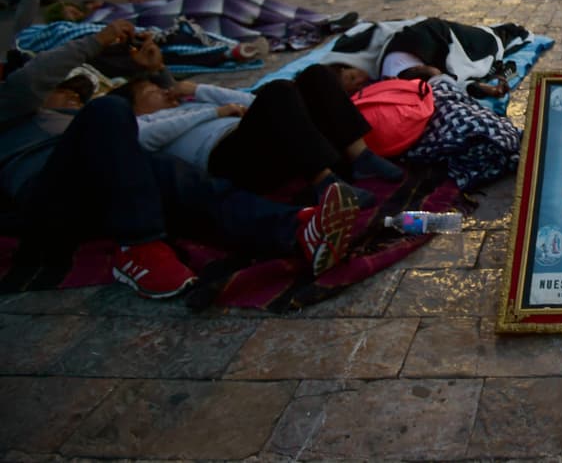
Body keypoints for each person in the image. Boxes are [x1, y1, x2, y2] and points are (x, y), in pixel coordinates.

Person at [0, 20, 362, 299]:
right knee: (107, 112)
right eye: (59, 91)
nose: (62, 95)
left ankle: (297, 229)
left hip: (105, 187)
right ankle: (138, 248)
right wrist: (94, 42)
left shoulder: (68, 116)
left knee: (191, 182)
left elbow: (167, 104)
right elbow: (28, 84)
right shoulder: (12, 111)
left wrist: (155, 72)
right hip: (48, 196)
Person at [122, 64, 402, 203]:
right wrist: (213, 114)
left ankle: (360, 157)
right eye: (150, 92)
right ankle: (327, 186)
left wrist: (197, 91)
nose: (161, 91)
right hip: (228, 158)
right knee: (277, 90)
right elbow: (145, 138)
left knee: (316, 74)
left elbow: (250, 102)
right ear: (135, 107)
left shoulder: (191, 102)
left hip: (260, 140)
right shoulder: (140, 123)